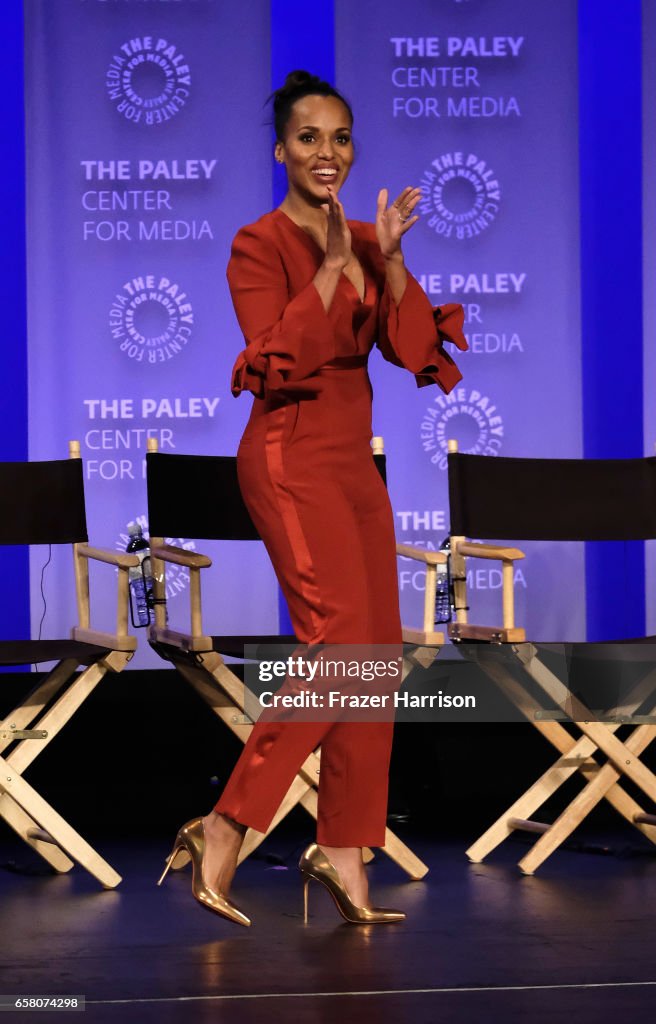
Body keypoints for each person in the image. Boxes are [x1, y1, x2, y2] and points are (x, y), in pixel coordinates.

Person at [159, 70, 466, 927]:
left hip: (355, 466)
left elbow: (410, 354)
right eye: (308, 139)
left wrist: (390, 260)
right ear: (280, 151)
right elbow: (279, 358)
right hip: (290, 458)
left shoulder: (373, 239)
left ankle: (342, 851)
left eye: (339, 139)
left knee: (374, 664)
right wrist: (331, 267)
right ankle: (225, 824)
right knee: (339, 648)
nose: (326, 153)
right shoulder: (257, 245)